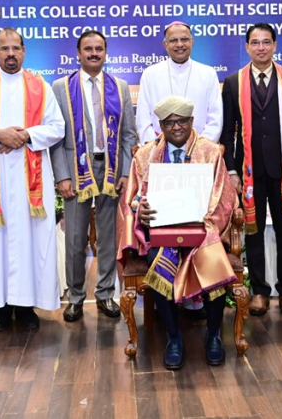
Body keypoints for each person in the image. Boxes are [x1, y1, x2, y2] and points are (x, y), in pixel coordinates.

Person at [117, 96, 238, 369]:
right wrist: (140, 211)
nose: (176, 127)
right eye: (170, 123)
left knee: (215, 260)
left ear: (192, 121)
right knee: (157, 261)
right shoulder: (145, 155)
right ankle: (173, 338)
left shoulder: (210, 152)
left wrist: (204, 225)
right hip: (162, 233)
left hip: (203, 231)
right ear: (160, 125)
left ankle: (214, 335)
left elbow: (226, 198)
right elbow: (131, 200)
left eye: (182, 121)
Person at [0, 28, 65, 330]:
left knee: (31, 239)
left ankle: (27, 306)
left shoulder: (40, 86)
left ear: (23, 51)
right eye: (4, 49)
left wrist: (25, 135)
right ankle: (1, 308)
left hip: (32, 179)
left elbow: (57, 127)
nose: (10, 54)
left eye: (15, 48)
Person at [221, 22, 282, 317]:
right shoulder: (233, 82)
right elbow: (227, 132)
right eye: (255, 43)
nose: (261, 47)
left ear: (275, 45)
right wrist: (232, 172)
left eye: (266, 42)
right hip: (249, 172)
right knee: (253, 233)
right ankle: (259, 290)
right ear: (247, 47)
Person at [50, 31, 137, 322]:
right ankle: (76, 297)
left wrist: (125, 172)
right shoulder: (61, 87)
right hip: (76, 171)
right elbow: (55, 137)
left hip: (110, 170)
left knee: (108, 238)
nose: (94, 53)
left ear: (106, 53)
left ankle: (105, 294)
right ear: (78, 53)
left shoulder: (120, 87)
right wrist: (62, 176)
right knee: (75, 239)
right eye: (88, 48)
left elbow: (128, 135)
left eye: (99, 48)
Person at [136, 21, 223, 144]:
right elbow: (143, 119)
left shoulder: (208, 74)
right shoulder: (150, 74)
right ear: (165, 44)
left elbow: (215, 117)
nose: (179, 44)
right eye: (173, 40)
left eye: (184, 39)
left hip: (200, 147)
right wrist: (157, 147)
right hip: (160, 148)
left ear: (192, 41)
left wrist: (200, 147)